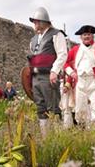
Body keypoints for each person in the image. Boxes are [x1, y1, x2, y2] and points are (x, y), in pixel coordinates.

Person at [28, 7, 67, 136]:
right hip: (36, 77)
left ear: (45, 21)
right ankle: (46, 138)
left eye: (37, 21)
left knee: (53, 108)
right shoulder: (33, 40)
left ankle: (57, 137)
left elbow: (62, 55)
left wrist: (54, 71)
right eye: (34, 22)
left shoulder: (56, 34)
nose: (35, 24)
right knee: (40, 108)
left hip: (48, 76)